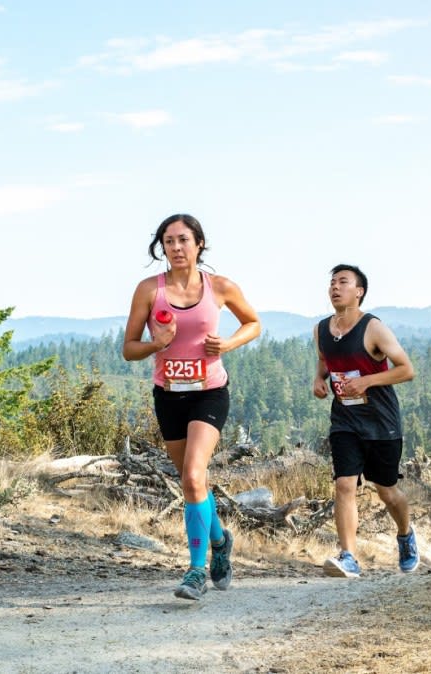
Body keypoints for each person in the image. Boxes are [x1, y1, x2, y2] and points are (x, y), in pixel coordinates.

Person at [122, 213, 261, 600]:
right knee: (190, 481)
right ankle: (220, 541)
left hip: (209, 391)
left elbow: (253, 323)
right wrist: (157, 344)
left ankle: (196, 572)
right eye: (169, 241)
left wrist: (227, 344)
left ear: (199, 243)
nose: (177, 247)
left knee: (195, 476)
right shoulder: (150, 290)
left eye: (183, 239)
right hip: (169, 394)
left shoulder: (220, 286)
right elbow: (129, 348)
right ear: (161, 248)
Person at [313, 263, 418, 577]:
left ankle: (405, 535)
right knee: (344, 485)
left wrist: (368, 382)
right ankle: (348, 556)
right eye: (332, 282)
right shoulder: (321, 329)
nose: (335, 287)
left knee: (386, 491)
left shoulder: (373, 327)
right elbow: (324, 361)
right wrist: (319, 380)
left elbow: (406, 369)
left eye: (343, 282)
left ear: (358, 292)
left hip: (381, 421)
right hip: (345, 418)